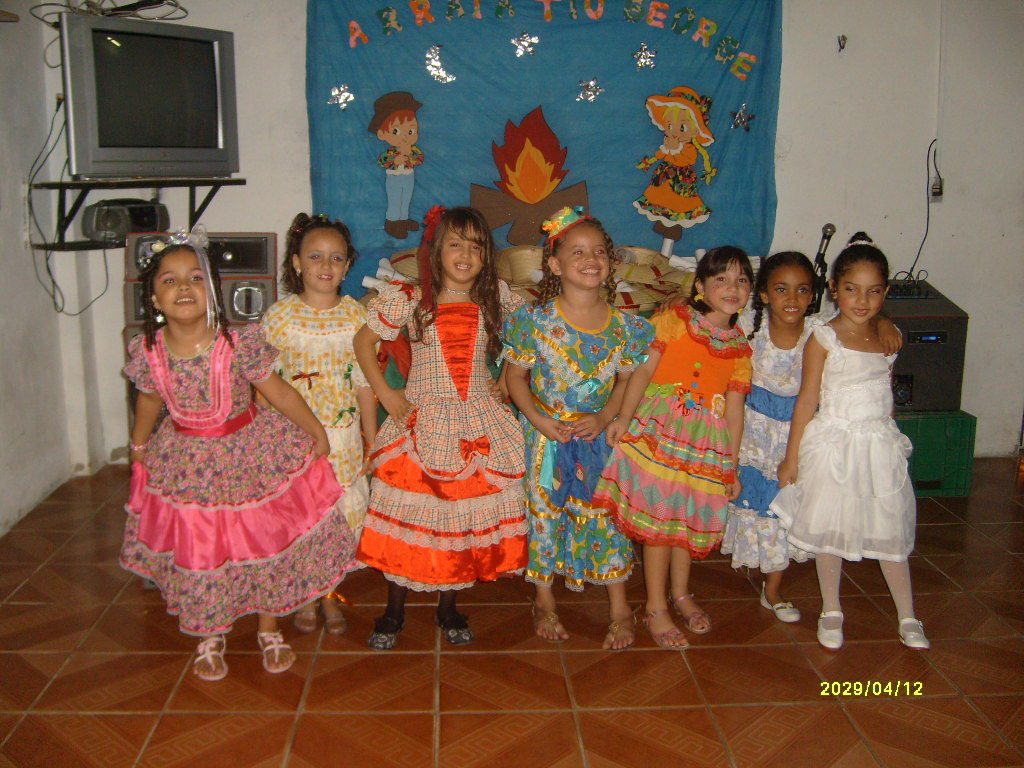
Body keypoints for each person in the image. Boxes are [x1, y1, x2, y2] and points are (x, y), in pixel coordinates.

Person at [120, 227, 356, 682]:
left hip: (250, 457)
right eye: (169, 280)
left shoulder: (237, 343)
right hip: (187, 467)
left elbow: (279, 393)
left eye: (195, 278)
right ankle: (210, 634)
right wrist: (138, 446)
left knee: (262, 541)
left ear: (212, 291)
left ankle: (269, 628)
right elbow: (148, 401)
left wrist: (315, 432)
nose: (183, 288)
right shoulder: (149, 352)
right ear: (153, 298)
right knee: (203, 550)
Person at [353, 206, 528, 649]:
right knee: (415, 516)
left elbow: (527, 338)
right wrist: (387, 395)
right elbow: (363, 340)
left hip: (479, 419)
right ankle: (394, 610)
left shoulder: (497, 299)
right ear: (436, 251)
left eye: (476, 246)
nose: (465, 254)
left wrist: (507, 378)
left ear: (487, 256)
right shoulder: (410, 298)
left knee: (460, 520)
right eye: (455, 244)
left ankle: (448, 607)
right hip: (424, 420)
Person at [504, 207, 655, 650]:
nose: (591, 259)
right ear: (554, 265)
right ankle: (544, 600)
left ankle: (620, 608)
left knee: (603, 516)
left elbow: (625, 381)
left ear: (610, 261)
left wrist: (607, 417)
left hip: (597, 439)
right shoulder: (533, 321)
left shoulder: (625, 327)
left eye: (599, 252)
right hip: (545, 438)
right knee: (544, 514)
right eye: (578, 252)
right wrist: (539, 420)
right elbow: (515, 378)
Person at [771, 233, 929, 651]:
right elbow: (807, 400)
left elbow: (886, 395)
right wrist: (791, 459)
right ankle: (831, 609)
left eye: (874, 292)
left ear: (885, 293)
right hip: (834, 445)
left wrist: (891, 440)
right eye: (851, 289)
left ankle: (908, 615)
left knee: (890, 526)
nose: (862, 300)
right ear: (834, 289)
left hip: (878, 446)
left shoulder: (888, 336)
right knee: (831, 527)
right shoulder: (823, 338)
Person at [594, 247, 753, 649]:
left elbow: (735, 412)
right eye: (721, 278)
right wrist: (623, 418)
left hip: (704, 449)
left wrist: (730, 466)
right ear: (700, 285)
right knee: (659, 526)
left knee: (685, 521)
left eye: (741, 280)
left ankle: (681, 594)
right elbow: (644, 370)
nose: (731, 287)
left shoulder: (740, 349)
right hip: (660, 436)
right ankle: (654, 606)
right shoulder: (674, 320)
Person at [261, 213, 378, 637]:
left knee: (337, 515)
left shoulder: (356, 318)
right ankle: (305, 595)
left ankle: (329, 593)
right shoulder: (279, 317)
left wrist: (371, 438)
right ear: (296, 263)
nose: (325, 266)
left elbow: (364, 382)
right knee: (301, 516)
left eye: (336, 258)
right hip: (292, 438)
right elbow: (264, 381)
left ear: (347, 267)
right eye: (315, 256)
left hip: (343, 437)